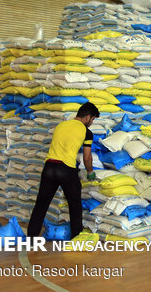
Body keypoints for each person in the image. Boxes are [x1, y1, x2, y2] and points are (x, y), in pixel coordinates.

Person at [27, 102, 99, 239]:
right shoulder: (86, 132)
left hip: (49, 167)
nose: (92, 122)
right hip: (66, 170)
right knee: (75, 205)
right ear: (88, 117)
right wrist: (90, 173)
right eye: (93, 119)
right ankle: (76, 237)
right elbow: (87, 157)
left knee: (41, 204)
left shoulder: (61, 125)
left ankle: (31, 237)